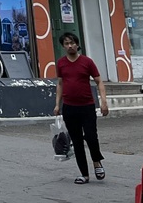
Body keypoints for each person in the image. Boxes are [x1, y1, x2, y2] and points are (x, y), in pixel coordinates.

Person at [52, 31, 109, 184]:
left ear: (77, 44)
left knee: (91, 136)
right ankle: (84, 174)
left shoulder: (87, 62)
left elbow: (99, 81)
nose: (70, 46)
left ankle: (97, 161)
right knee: (77, 141)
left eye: (72, 43)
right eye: (66, 43)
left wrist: (103, 102)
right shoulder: (61, 63)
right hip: (69, 108)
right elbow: (60, 83)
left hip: (87, 106)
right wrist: (57, 104)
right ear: (63, 46)